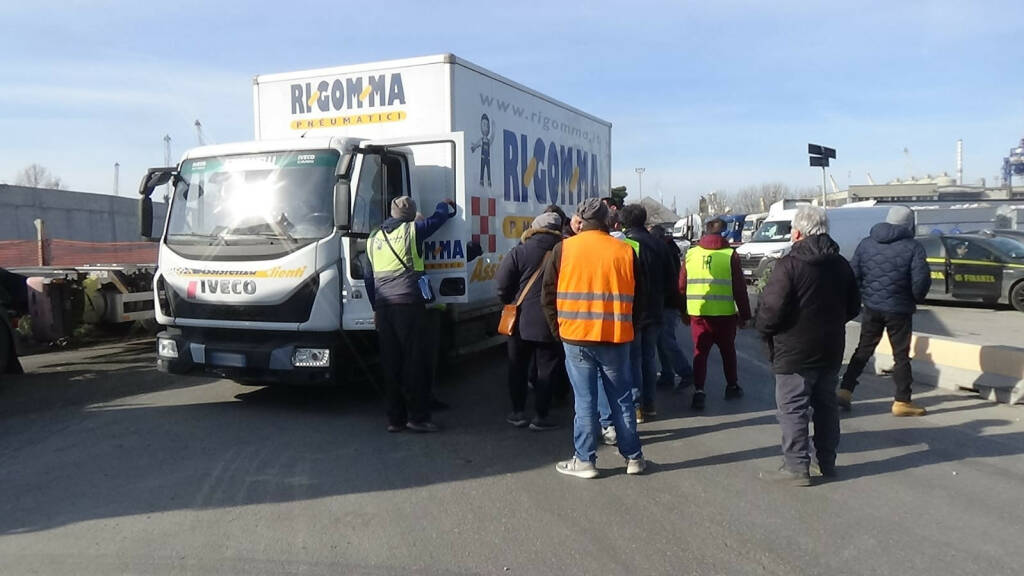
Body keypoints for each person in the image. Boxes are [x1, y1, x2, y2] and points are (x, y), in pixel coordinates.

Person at [541, 198, 646, 478]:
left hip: (575, 337)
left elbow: (547, 296)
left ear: (580, 221)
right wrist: (629, 328)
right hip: (615, 336)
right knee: (622, 399)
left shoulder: (563, 249)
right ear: (609, 221)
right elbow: (640, 298)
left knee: (585, 401)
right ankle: (634, 457)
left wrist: (559, 331)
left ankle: (585, 460)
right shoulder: (625, 251)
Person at [756, 206, 861, 485]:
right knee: (826, 405)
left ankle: (796, 466)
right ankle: (826, 462)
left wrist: (764, 330)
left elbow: (771, 308)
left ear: (798, 231)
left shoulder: (788, 264)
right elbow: (853, 306)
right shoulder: (840, 263)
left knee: (793, 407)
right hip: (830, 347)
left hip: (793, 349)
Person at [365, 196, 456, 433]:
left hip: (384, 308)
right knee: (415, 363)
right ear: (411, 215)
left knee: (391, 364)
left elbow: (368, 277)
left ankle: (395, 419)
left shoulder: (374, 237)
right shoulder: (412, 231)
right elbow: (440, 218)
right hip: (408, 305)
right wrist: (444, 203)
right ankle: (418, 417)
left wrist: (375, 308)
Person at [838, 206, 931, 416]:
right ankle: (902, 401)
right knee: (901, 356)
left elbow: (853, 275)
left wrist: (864, 296)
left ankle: (845, 390)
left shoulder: (866, 243)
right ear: (909, 224)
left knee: (863, 349)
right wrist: (916, 298)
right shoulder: (913, 247)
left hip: (872, 307)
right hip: (899, 309)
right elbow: (920, 281)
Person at [495, 212, 564, 431]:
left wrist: (510, 301)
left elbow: (501, 285)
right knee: (547, 368)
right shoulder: (564, 252)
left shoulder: (519, 251)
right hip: (552, 319)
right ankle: (541, 416)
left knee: (517, 367)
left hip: (520, 320)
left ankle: (517, 412)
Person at [679, 218, 752, 410]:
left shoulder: (691, 254)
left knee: (700, 353)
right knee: (728, 352)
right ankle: (732, 385)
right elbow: (740, 289)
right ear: (725, 234)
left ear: (705, 232)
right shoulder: (730, 255)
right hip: (724, 315)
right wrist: (745, 315)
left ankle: (699, 391)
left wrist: (683, 311)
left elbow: (681, 286)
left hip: (698, 314)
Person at [620, 205, 676, 421]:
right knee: (649, 358)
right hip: (655, 309)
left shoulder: (626, 245)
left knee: (633, 360)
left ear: (624, 223)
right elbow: (671, 279)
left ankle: (636, 407)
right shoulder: (660, 245)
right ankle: (650, 403)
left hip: (632, 311)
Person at [650, 224, 693, 391]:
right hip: (669, 301)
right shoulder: (670, 250)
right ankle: (667, 374)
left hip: (666, 302)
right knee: (662, 340)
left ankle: (685, 371)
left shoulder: (664, 251)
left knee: (666, 340)